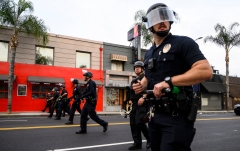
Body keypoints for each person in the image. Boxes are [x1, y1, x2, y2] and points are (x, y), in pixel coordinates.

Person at [132, 3, 212, 151]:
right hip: (154, 116)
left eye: (165, 17)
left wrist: (169, 82)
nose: (162, 21)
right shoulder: (149, 53)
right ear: (149, 25)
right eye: (157, 18)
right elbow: (148, 78)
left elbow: (205, 70)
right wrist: (141, 85)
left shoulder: (183, 43)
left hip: (177, 116)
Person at [128, 61, 150, 150]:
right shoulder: (133, 79)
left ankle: (150, 139)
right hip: (134, 104)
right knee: (133, 124)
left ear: (142, 69)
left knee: (139, 122)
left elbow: (148, 89)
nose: (136, 68)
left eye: (138, 67)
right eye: (135, 67)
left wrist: (144, 97)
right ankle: (137, 143)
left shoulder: (145, 78)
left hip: (142, 104)